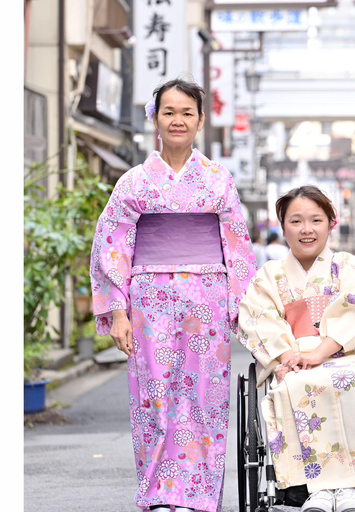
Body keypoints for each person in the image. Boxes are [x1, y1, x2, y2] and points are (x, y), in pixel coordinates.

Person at [89, 78, 257, 512]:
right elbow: (111, 244)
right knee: (154, 393)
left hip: (207, 298)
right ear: (155, 119)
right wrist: (117, 310)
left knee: (205, 394)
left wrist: (242, 309)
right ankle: (159, 494)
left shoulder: (218, 180)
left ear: (200, 120)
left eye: (187, 112)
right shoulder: (133, 183)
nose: (178, 120)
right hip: (149, 299)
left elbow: (237, 246)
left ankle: (199, 496)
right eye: (169, 112)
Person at [238, 185, 355, 512]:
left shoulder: (347, 266)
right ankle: (313, 488)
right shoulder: (269, 276)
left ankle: (352, 486)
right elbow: (257, 318)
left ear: (331, 223)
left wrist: (322, 352)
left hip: (348, 353)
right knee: (292, 385)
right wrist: (286, 355)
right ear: (282, 225)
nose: (306, 229)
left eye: (316, 220)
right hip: (292, 356)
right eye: (296, 221)